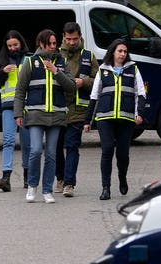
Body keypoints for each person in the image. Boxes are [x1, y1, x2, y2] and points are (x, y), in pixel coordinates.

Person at [14, 29, 76, 204]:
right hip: (35, 114)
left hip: (56, 115)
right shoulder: (31, 62)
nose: (52, 46)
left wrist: (56, 71)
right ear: (41, 44)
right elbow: (20, 90)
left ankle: (47, 190)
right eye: (49, 43)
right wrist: (18, 113)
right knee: (35, 151)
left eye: (54, 43)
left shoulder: (61, 62)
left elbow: (71, 87)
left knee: (51, 154)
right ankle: (32, 186)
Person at [84, 39, 145, 200]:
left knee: (123, 154)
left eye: (125, 51)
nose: (123, 54)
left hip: (126, 118)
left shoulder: (133, 69)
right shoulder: (103, 70)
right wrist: (87, 121)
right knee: (107, 149)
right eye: (120, 51)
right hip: (105, 118)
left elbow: (140, 93)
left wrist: (139, 113)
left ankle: (122, 178)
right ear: (113, 52)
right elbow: (94, 96)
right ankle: (106, 188)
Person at [55, 22, 99, 198]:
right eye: (68, 39)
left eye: (75, 39)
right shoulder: (56, 55)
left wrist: (85, 82)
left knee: (72, 146)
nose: (72, 42)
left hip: (78, 109)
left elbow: (98, 80)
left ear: (80, 36)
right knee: (56, 147)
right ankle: (60, 177)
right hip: (57, 108)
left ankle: (69, 183)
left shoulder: (88, 56)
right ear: (63, 37)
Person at [0, 30, 31, 192]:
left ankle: (28, 176)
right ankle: (6, 177)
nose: (13, 48)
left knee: (27, 143)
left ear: (21, 43)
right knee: (8, 141)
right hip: (9, 106)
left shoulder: (29, 59)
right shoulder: (2, 60)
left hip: (27, 105)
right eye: (9, 46)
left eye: (15, 45)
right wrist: (3, 72)